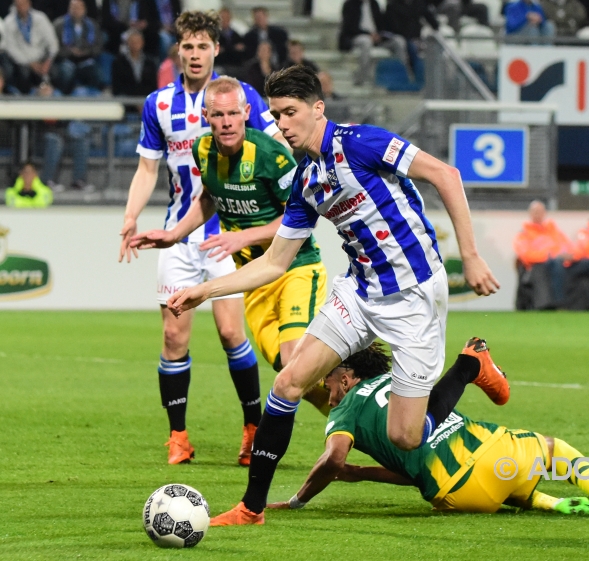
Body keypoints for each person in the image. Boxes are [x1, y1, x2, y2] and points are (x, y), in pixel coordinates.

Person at [166, 65, 503, 524]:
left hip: (413, 297)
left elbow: (446, 174)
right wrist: (203, 290)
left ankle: (469, 366)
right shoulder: (306, 179)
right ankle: (252, 508)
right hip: (359, 292)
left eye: (290, 113)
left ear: (317, 109)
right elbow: (273, 263)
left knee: (405, 437)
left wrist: (472, 255)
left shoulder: (361, 142)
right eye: (276, 114)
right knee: (288, 381)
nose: (282, 124)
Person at [118, 10, 284, 466]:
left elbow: (279, 147)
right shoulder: (158, 104)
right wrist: (131, 217)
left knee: (232, 332)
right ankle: (178, 437)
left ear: (216, 49)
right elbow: (147, 167)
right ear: (179, 50)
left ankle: (252, 428)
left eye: (202, 46)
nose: (194, 54)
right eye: (187, 47)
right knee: (174, 338)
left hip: (228, 235)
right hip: (179, 234)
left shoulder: (240, 96)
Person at [255, 342, 589, 519]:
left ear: (346, 378)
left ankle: (553, 506)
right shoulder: (403, 385)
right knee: (551, 448)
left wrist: (296, 501)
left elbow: (334, 459)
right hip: (498, 459)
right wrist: (360, 473)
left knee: (454, 468)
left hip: (457, 495)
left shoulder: (345, 410)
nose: (324, 388)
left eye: (327, 380)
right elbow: (367, 461)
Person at [131, 76, 330, 444]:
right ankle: (352, 413)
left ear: (246, 113)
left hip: (294, 269)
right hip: (253, 279)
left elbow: (301, 218)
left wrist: (243, 236)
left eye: (233, 114)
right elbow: (208, 197)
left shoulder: (272, 154)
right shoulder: (202, 150)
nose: (225, 122)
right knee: (290, 371)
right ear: (205, 116)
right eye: (218, 115)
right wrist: (174, 234)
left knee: (293, 360)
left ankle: (360, 401)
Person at [513, 200, 589, 310]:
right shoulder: (523, 234)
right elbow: (526, 256)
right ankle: (560, 303)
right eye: (535, 212)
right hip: (545, 267)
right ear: (530, 214)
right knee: (556, 263)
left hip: (565, 265)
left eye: (540, 211)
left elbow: (573, 248)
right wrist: (550, 256)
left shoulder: (555, 232)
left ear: (544, 213)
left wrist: (571, 256)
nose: (538, 214)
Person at [338, 0, 410, 87]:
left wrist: (380, 35)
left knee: (399, 41)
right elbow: (349, 27)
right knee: (366, 41)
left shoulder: (374, 4)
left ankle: (402, 74)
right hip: (357, 36)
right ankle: (361, 78)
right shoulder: (350, 5)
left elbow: (381, 24)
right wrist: (368, 34)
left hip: (376, 38)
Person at [2, 0, 58, 94]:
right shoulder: (9, 22)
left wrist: (48, 61)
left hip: (42, 59)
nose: (21, 7)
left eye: (23, 4)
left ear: (29, 4)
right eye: (18, 5)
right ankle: (25, 96)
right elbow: (11, 49)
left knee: (58, 72)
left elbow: (53, 43)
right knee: (23, 73)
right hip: (22, 62)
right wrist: (30, 63)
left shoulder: (41, 18)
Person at [51, 0, 102, 94]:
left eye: (79, 7)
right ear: (69, 9)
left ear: (84, 9)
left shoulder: (93, 25)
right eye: (73, 7)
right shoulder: (58, 24)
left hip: (86, 59)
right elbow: (54, 48)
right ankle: (65, 98)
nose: (76, 10)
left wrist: (86, 52)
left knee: (95, 71)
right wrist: (70, 52)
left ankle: (93, 99)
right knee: (67, 71)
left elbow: (98, 47)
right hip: (66, 59)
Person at [111, 29, 157, 96]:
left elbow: (153, 85)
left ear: (142, 42)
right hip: (126, 101)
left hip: (146, 100)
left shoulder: (150, 62)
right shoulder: (118, 62)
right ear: (128, 43)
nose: (135, 44)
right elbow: (117, 86)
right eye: (132, 42)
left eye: (137, 41)